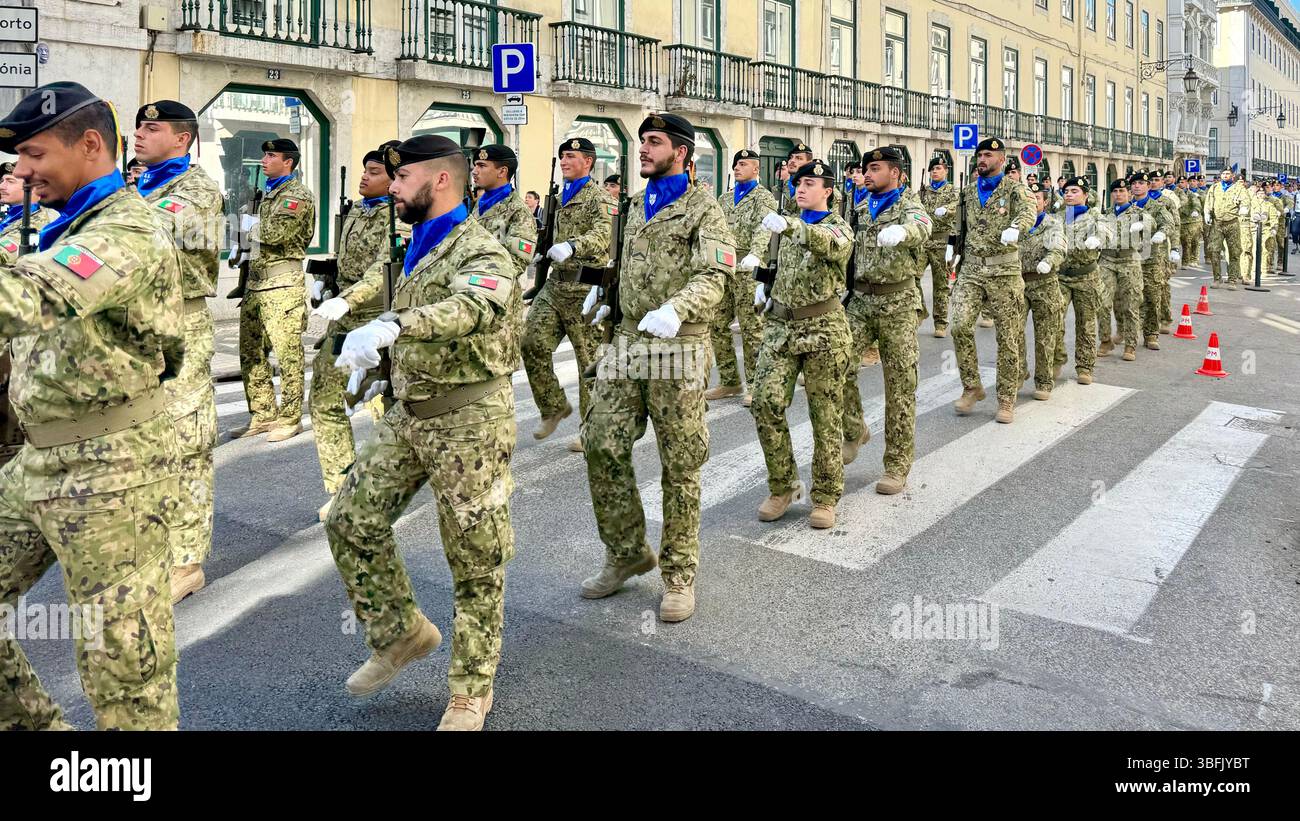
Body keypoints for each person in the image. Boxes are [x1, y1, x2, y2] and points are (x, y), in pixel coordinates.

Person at [0, 81, 185, 730]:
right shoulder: (65, 227)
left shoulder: (129, 230)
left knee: (126, 687)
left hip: (113, 472)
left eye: (33, 154)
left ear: (89, 145)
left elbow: (28, 299)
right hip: (38, 459)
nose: (21, 171)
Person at [325, 134, 521, 731]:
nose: (393, 187)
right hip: (409, 413)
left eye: (402, 176)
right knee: (349, 518)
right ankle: (400, 632)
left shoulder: (483, 250)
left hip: (470, 420)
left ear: (439, 180)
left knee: (475, 556)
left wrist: (395, 326)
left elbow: (472, 307)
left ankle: (470, 691)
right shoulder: (413, 245)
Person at [577, 112, 731, 623]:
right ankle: (626, 551)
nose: (642, 149)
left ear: (682, 152)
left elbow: (716, 274)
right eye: (641, 141)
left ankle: (679, 574)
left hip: (678, 346)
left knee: (679, 462)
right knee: (601, 442)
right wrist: (610, 298)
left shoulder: (704, 209)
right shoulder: (634, 204)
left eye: (654, 142)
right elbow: (629, 264)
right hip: (626, 341)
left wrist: (677, 308)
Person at [132, 99, 225, 602]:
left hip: (179, 323)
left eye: (152, 128)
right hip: (134, 326)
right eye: (139, 127)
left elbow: (147, 236)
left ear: (182, 139)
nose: (140, 135)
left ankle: (186, 560)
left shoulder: (196, 190)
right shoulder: (138, 188)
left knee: (187, 441)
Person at [307, 142, 411, 523]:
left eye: (375, 173)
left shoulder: (398, 219)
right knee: (325, 399)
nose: (365, 177)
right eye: (364, 170)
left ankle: (387, 485)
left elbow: (383, 267)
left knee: (387, 406)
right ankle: (341, 485)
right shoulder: (354, 210)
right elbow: (348, 260)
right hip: (344, 318)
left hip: (378, 321)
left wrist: (348, 300)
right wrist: (324, 277)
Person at [750, 159, 853, 528]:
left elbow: (831, 245)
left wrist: (793, 226)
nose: (801, 188)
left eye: (810, 183)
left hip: (823, 327)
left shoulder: (837, 227)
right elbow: (773, 268)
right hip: (780, 326)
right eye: (798, 183)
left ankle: (825, 496)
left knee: (825, 415)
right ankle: (783, 485)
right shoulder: (782, 228)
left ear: (827, 190)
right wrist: (761, 287)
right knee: (765, 403)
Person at [840, 146, 931, 495]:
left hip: (898, 301)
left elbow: (922, 225)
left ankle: (896, 465)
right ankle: (854, 429)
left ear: (895, 172)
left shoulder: (909, 205)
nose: (867, 174)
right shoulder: (859, 205)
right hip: (861, 300)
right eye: (865, 168)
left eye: (875, 168)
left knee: (900, 385)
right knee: (837, 366)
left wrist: (904, 233)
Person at [521, 136, 613, 452]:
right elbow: (548, 235)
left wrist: (573, 246)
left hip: (584, 289)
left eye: (571, 156)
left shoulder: (599, 198)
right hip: (554, 285)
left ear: (588, 161)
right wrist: (540, 251)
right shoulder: (559, 197)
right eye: (562, 157)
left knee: (588, 364)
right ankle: (554, 405)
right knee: (531, 343)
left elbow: (603, 235)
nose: (564, 161)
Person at [228, 137, 316, 441]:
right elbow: (245, 235)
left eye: (271, 156)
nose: (264, 161)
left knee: (288, 355)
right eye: (264, 155)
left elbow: (276, 233)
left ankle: (291, 417)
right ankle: (263, 414)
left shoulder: (297, 195)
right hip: (255, 284)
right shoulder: (264, 196)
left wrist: (245, 224)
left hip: (282, 285)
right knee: (250, 353)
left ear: (288, 162)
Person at [950, 138, 1033, 424]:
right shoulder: (969, 191)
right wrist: (953, 246)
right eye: (979, 155)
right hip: (971, 270)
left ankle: (1006, 398)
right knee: (959, 324)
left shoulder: (1015, 189)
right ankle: (972, 386)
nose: (982, 159)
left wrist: (1016, 227)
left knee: (1008, 337)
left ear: (1002, 158)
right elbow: (960, 223)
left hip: (1005, 272)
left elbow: (1027, 213)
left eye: (988, 154)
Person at [708, 148, 776, 406]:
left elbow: (765, 227)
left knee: (752, 328)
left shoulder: (763, 197)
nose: (737, 167)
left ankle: (756, 384)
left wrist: (757, 254)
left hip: (749, 265)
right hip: (725, 263)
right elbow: (714, 228)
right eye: (736, 164)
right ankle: (729, 380)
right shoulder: (725, 199)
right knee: (716, 322)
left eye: (743, 164)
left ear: (756, 169)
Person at [1050, 177, 1111, 385]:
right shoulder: (1057, 217)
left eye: (1074, 191)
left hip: (1086, 276)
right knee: (1054, 320)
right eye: (1066, 191)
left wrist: (1098, 238)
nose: (1069, 194)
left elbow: (1105, 231)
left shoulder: (1094, 215)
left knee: (1086, 323)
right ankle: (1056, 359)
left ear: (1085, 195)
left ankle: (1085, 366)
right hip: (1060, 276)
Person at [1015, 182, 1064, 401]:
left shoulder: (1053, 223)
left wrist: (1049, 261)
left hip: (1044, 282)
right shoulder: (1016, 223)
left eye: (1036, 198)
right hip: (1018, 282)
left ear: (1044, 202)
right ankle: (1018, 371)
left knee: (1045, 335)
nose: (1032, 201)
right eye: (1029, 197)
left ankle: (1044, 380)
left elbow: (1059, 247)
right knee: (1013, 332)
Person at [1096, 178, 1154, 363]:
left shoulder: (1138, 212)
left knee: (1131, 304)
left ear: (1128, 194)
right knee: (1103, 302)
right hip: (1107, 259)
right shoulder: (1106, 214)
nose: (1118, 195)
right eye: (1115, 192)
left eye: (1122, 191)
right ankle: (1106, 340)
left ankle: (1130, 344)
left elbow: (1152, 223)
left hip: (1129, 260)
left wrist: (1142, 225)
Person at [918, 156, 956, 337]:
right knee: (912, 277)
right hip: (924, 240)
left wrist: (947, 210)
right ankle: (920, 311)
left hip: (942, 240)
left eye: (939, 168)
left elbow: (956, 207)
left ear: (946, 171)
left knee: (941, 284)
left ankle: (940, 323)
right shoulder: (923, 192)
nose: (935, 171)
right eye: (933, 169)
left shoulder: (952, 191)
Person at [0, 160, 58, 262]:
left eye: (10, 181)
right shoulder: (11, 213)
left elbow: (3, 255)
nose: (1, 187)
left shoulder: (40, 222)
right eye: (2, 181)